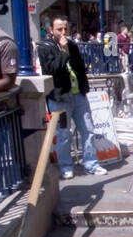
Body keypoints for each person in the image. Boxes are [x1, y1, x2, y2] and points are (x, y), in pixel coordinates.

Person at [37, 16, 107, 179]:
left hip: (78, 95)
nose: (63, 32)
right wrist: (62, 52)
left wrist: (84, 88)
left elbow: (80, 69)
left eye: (65, 29)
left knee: (88, 129)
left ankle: (91, 163)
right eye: (59, 29)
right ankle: (66, 166)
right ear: (51, 30)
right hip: (60, 97)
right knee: (63, 133)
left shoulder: (73, 46)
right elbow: (51, 69)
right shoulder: (45, 47)